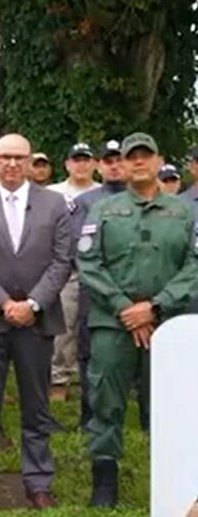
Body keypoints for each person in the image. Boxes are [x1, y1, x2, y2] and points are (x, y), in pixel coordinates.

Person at [77, 132, 198, 508]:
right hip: (113, 325)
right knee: (106, 400)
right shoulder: (101, 211)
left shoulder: (184, 212)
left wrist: (156, 307)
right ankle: (104, 480)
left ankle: (174, 477)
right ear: (123, 165)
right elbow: (87, 262)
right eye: (132, 157)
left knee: (170, 403)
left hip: (169, 325)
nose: (139, 162)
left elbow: (195, 265)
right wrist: (123, 306)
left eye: (146, 155)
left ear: (158, 159)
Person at [0, 133, 72, 510]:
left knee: (36, 406)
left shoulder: (55, 205)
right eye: (4, 157)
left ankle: (38, 481)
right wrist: (3, 302)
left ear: (30, 162)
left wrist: (34, 303)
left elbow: (62, 261)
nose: (11, 164)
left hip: (36, 322)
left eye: (18, 158)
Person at [71, 140, 128, 430]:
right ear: (99, 165)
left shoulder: (142, 196)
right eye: (109, 161)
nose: (115, 165)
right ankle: (90, 415)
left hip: (136, 291)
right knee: (90, 354)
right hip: (94, 292)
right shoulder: (85, 202)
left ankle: (147, 417)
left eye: (119, 160)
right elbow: (78, 250)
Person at [47, 143, 101, 401]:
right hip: (66, 267)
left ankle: (92, 376)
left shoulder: (106, 192)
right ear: (67, 164)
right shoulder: (52, 193)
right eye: (76, 160)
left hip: (99, 268)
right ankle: (59, 377)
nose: (81, 165)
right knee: (65, 324)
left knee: (96, 323)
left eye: (86, 159)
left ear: (94, 163)